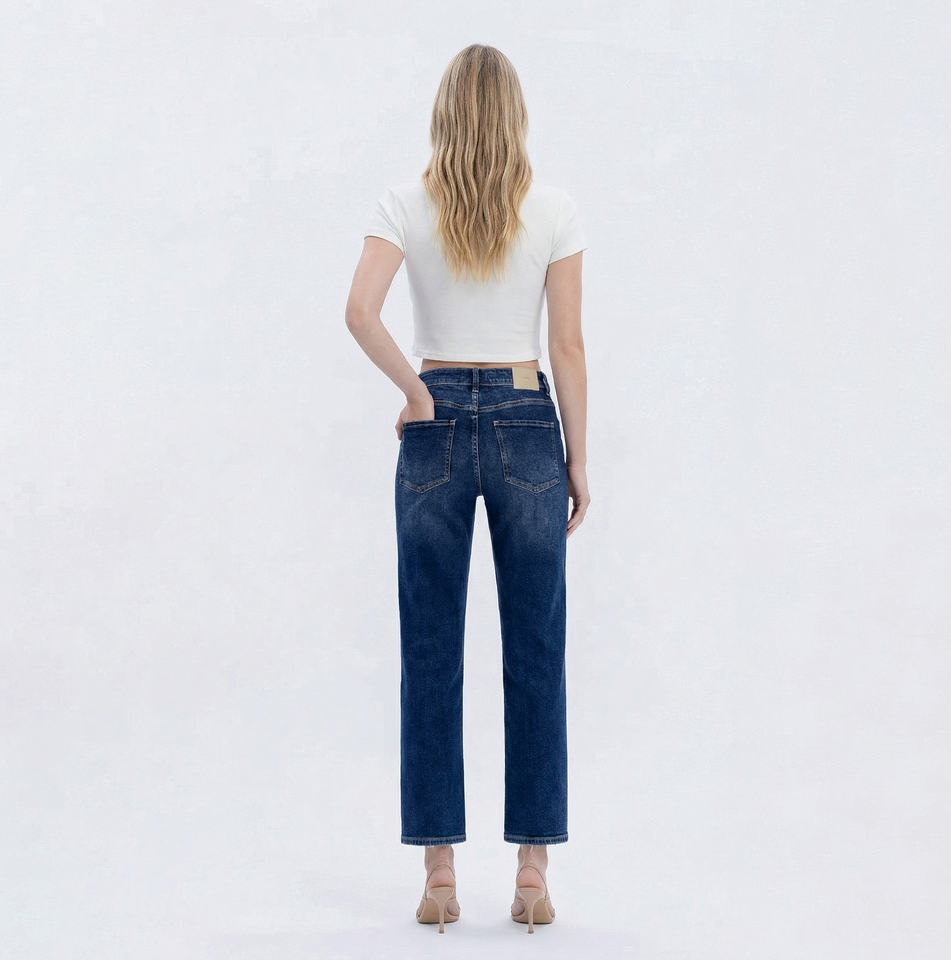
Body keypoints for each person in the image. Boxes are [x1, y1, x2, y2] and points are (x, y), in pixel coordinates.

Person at [344, 43, 590, 933]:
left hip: (435, 422)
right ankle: (531, 874)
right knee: (537, 654)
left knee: (430, 652)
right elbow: (566, 346)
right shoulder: (552, 208)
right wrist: (578, 459)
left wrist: (418, 396)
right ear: (514, 114)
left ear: (444, 113)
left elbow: (360, 311)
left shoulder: (404, 204)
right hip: (527, 420)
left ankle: (440, 875)